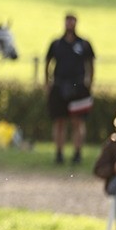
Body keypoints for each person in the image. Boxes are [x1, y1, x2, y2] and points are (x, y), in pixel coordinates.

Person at [45, 14, 95, 165]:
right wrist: (47, 83)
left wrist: (89, 83)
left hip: (78, 86)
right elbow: (47, 63)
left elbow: (91, 65)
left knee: (77, 122)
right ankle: (59, 153)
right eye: (67, 21)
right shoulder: (56, 44)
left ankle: (77, 152)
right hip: (59, 85)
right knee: (59, 122)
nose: (69, 24)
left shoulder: (84, 44)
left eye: (72, 21)